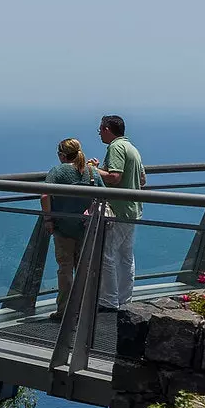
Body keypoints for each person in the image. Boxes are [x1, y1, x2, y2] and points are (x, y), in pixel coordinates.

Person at [90, 114, 145, 311]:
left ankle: (108, 301)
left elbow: (114, 177)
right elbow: (142, 180)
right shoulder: (132, 149)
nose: (99, 133)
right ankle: (124, 299)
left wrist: (94, 170)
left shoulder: (115, 147)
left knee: (107, 254)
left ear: (107, 129)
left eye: (100, 129)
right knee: (125, 256)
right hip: (133, 209)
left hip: (119, 209)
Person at [41, 138, 100, 320]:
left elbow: (45, 195)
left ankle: (65, 311)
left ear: (62, 155)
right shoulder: (91, 172)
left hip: (63, 228)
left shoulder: (57, 171)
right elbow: (103, 195)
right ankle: (85, 310)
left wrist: (48, 219)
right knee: (84, 269)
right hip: (86, 227)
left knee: (65, 270)